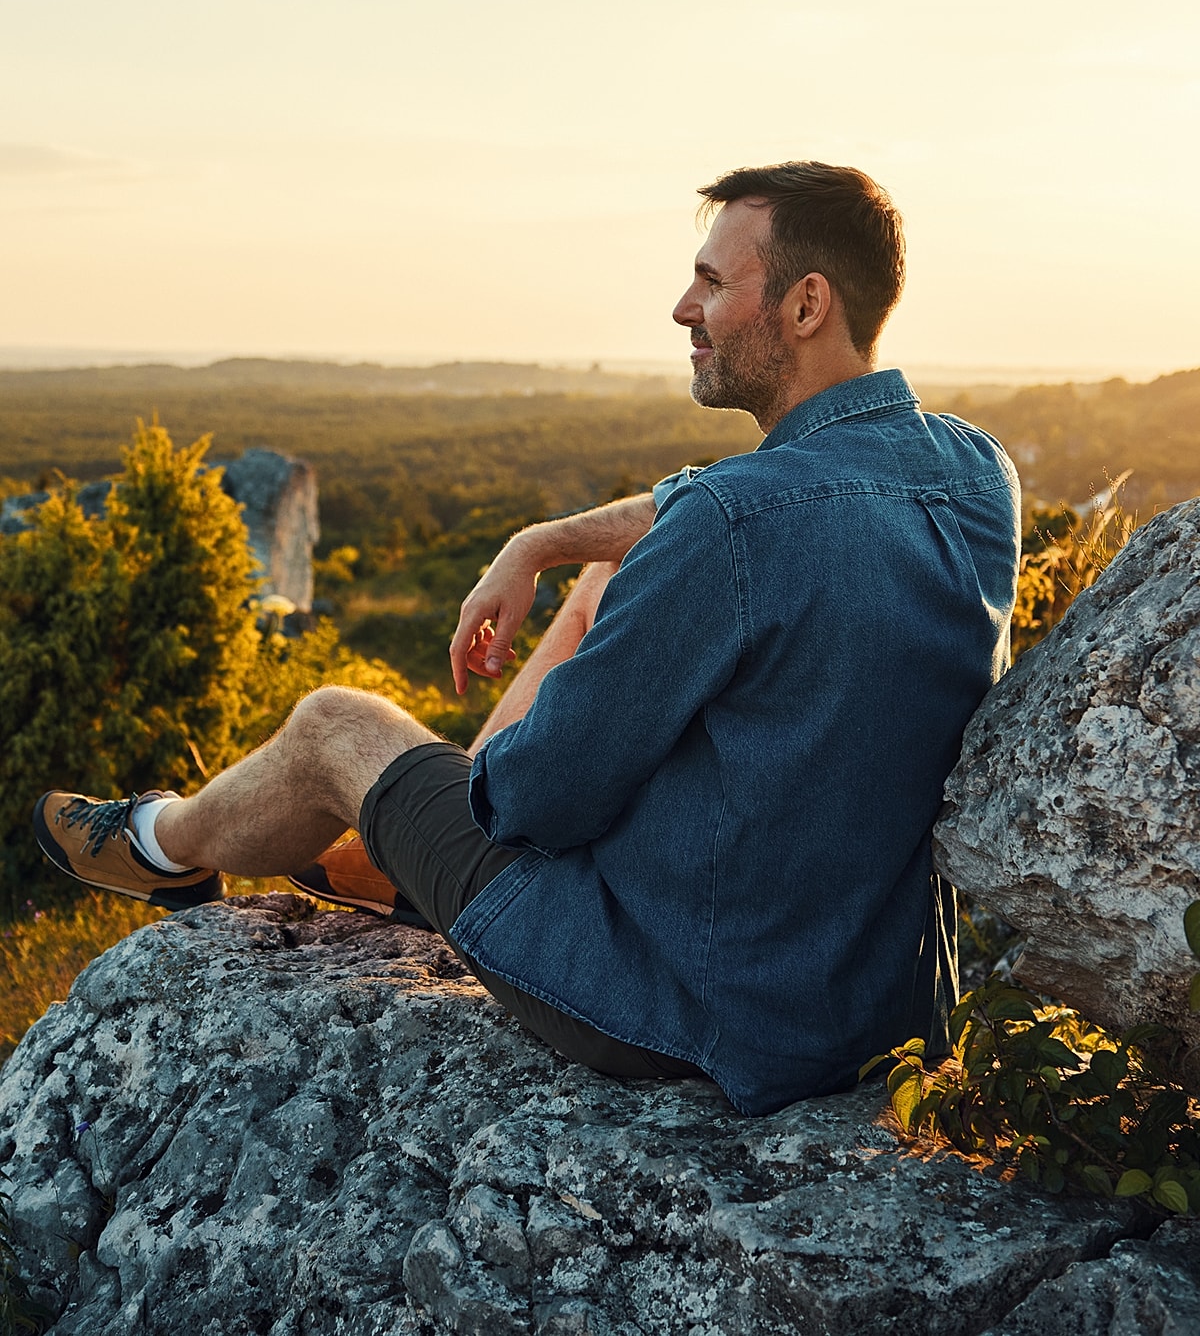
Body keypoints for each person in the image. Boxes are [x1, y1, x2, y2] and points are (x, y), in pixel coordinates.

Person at [34, 161, 1021, 1117]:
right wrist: (544, 541)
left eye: (714, 283)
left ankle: (160, 844)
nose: (685, 307)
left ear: (806, 307)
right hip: (883, 1010)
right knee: (608, 576)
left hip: (688, 1006)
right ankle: (381, 863)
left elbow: (531, 804)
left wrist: (497, 754)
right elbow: (720, 510)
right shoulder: (979, 477)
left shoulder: (733, 527)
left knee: (339, 724)